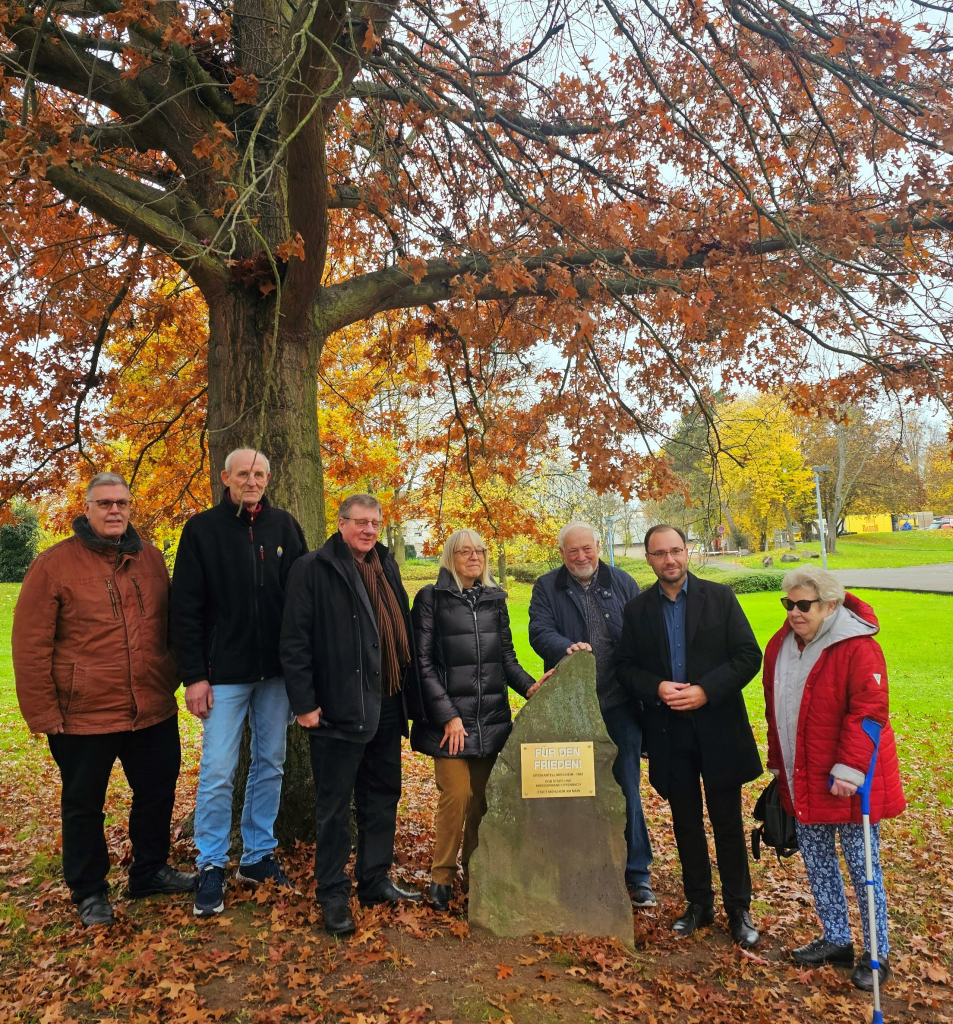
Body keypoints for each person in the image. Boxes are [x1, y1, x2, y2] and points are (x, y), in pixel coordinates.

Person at [12, 473, 197, 927]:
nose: (115, 510)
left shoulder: (151, 559)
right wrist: (43, 712)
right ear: (88, 508)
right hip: (83, 715)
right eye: (105, 503)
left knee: (156, 793)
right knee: (83, 804)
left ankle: (149, 871)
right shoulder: (54, 565)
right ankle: (89, 890)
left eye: (122, 503)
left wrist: (169, 675)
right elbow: (30, 644)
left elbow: (176, 625)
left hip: (151, 707)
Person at [280, 494, 426, 936]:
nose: (368, 530)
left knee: (382, 797)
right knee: (334, 807)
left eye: (375, 523)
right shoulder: (313, 568)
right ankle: (333, 893)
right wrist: (303, 704)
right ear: (341, 524)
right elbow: (294, 641)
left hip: (386, 703)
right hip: (339, 708)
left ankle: (375, 879)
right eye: (360, 522)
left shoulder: (386, 564)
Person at [171, 448, 307, 917]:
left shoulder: (285, 527)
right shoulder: (202, 531)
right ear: (225, 477)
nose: (253, 481)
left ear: (269, 479)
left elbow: (302, 602)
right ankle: (210, 863)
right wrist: (194, 676)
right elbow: (185, 610)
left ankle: (257, 855)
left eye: (261, 474)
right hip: (222, 675)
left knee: (270, 763)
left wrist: (300, 671)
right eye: (244, 474)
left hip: (275, 675)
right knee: (218, 770)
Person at [615, 524, 763, 947]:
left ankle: (739, 909)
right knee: (685, 824)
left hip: (718, 727)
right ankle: (698, 903)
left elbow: (748, 656)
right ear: (648, 559)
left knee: (727, 823)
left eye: (675, 550)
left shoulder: (719, 598)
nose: (669, 560)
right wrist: (656, 688)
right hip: (668, 732)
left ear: (687, 552)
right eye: (660, 553)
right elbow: (625, 667)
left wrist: (705, 691)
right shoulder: (638, 610)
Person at [763, 566, 904, 992]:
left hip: (847, 778)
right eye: (788, 604)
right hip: (801, 774)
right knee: (819, 861)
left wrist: (850, 769)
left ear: (830, 605)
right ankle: (837, 939)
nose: (794, 612)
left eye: (804, 605)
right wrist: (777, 760)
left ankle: (877, 951)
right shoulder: (781, 645)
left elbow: (869, 711)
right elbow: (777, 710)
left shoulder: (858, 648)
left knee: (863, 866)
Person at [411, 529, 551, 911]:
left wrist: (530, 688)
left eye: (480, 551)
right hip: (448, 725)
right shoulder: (431, 598)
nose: (475, 557)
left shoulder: (494, 601)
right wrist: (448, 718)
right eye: (465, 551)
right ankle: (441, 877)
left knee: (482, 803)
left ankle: (478, 873)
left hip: (490, 720)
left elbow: (505, 659)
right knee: (457, 795)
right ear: (450, 557)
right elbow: (421, 665)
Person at [528, 522, 653, 906]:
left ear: (599, 546)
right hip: (573, 706)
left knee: (627, 787)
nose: (581, 557)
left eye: (587, 549)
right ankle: (575, 866)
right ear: (561, 553)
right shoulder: (547, 586)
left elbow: (642, 635)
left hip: (619, 704)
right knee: (572, 787)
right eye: (572, 552)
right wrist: (565, 647)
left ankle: (637, 873)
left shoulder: (623, 582)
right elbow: (538, 630)